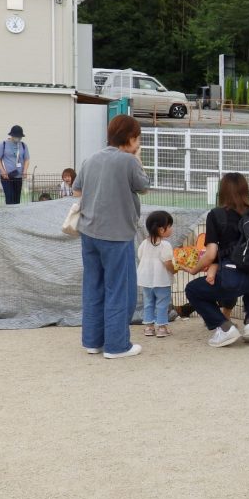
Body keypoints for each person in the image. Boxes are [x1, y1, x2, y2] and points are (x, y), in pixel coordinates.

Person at [73, 114, 150, 358]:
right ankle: (117, 346)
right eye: (137, 138)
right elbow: (143, 186)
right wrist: (136, 158)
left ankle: (92, 341)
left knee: (93, 287)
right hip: (117, 235)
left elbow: (77, 190)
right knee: (119, 289)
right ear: (129, 138)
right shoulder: (128, 161)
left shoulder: (91, 158)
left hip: (89, 232)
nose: (138, 143)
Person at [181, 172, 249, 348]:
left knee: (193, 290)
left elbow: (211, 253)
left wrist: (194, 269)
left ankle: (225, 327)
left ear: (222, 191)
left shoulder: (216, 215)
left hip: (233, 277)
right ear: (245, 190)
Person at [138, 210, 176, 338]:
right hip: (162, 280)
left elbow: (140, 256)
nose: (171, 229)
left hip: (146, 280)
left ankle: (149, 327)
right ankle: (161, 328)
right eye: (170, 226)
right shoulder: (165, 245)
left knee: (148, 302)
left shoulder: (144, 243)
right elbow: (168, 262)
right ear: (161, 230)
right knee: (162, 303)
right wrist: (174, 270)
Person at [0, 125, 30, 205]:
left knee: (17, 199)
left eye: (20, 137)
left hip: (18, 176)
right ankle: (9, 216)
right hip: (6, 177)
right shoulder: (3, 144)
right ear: (11, 135)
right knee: (10, 198)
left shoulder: (23, 145)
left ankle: (16, 216)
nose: (18, 138)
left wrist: (25, 170)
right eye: (16, 136)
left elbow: (27, 159)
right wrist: (2, 171)